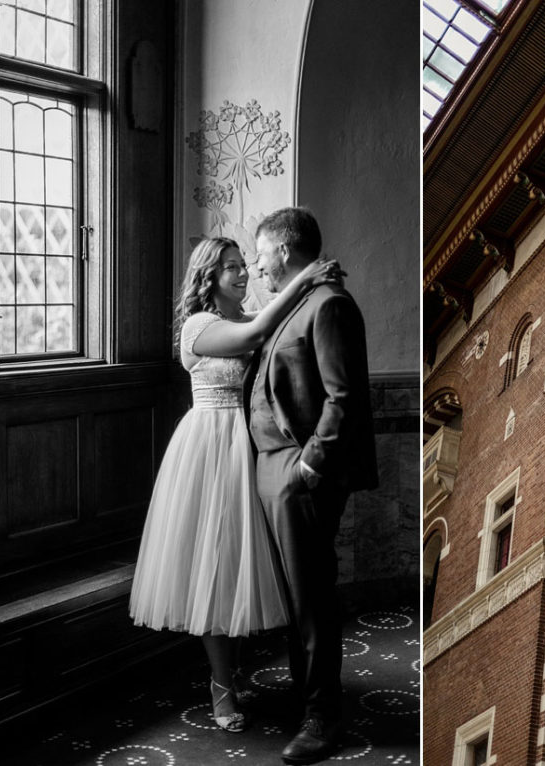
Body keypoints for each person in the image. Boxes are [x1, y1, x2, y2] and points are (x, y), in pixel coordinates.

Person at [129, 236, 342, 733]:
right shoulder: (198, 327)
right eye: (230, 268)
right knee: (215, 566)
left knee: (243, 564)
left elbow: (273, 335)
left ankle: (237, 672)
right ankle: (220, 687)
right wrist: (304, 280)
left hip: (250, 446)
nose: (243, 273)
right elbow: (256, 337)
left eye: (244, 264)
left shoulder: (249, 317)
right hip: (209, 447)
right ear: (209, 276)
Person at [247, 208, 377, 765]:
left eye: (260, 254)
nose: (256, 266)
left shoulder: (330, 306)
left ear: (283, 250)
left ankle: (323, 719)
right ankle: (307, 701)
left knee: (312, 600)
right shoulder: (295, 303)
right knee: (293, 598)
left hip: (299, 474)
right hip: (271, 467)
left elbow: (342, 397)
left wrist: (309, 468)